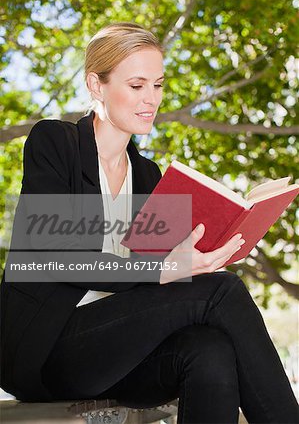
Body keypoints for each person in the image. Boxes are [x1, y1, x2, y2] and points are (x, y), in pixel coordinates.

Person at [0, 22, 298, 424]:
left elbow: (160, 275)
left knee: (210, 349)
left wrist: (205, 252)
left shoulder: (149, 174)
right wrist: (165, 269)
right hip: (47, 351)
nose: (151, 100)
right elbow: (59, 258)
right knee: (220, 291)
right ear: (96, 84)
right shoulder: (55, 143)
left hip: (121, 353)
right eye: (137, 85)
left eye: (158, 85)